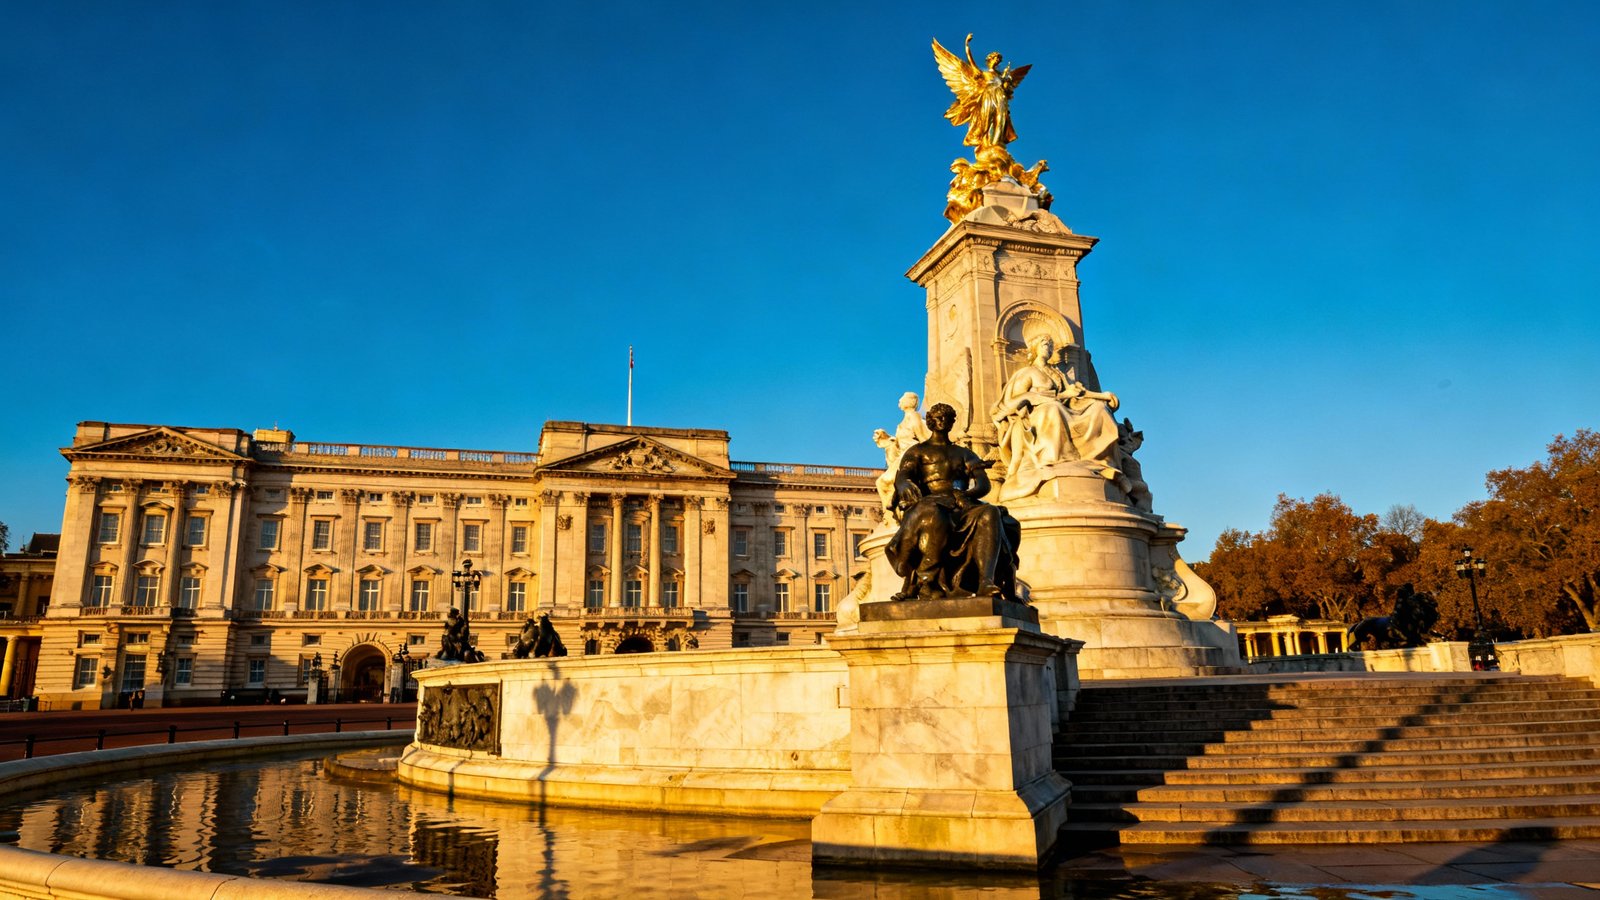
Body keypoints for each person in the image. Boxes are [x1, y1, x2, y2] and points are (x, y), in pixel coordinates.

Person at [885, 403, 1021, 602]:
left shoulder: (964, 453)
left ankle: (986, 581)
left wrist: (965, 495)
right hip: (930, 501)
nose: (942, 421)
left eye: (947, 418)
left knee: (990, 513)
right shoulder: (917, 451)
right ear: (930, 421)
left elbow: (983, 484)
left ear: (952, 423)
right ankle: (926, 581)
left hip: (960, 503)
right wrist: (904, 484)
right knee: (934, 515)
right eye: (938, 418)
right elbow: (904, 476)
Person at [992, 335, 1120, 500]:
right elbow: (1016, 398)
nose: (1048, 347)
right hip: (1038, 413)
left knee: (1098, 409)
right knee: (1053, 408)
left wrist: (1103, 396)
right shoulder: (1028, 372)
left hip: (1065, 410)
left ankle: (1103, 460)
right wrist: (1048, 398)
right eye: (1045, 344)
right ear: (1035, 348)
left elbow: (1076, 394)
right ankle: (1053, 459)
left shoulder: (1057, 373)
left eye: (1051, 345)